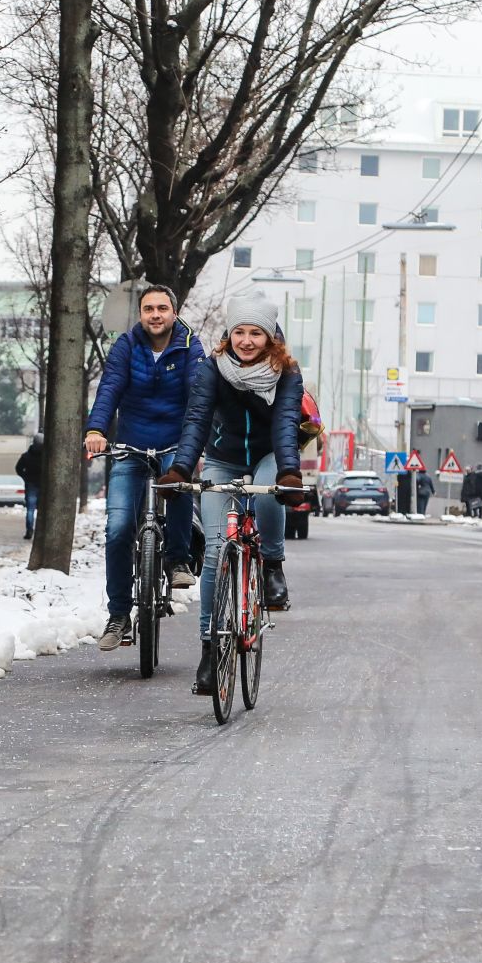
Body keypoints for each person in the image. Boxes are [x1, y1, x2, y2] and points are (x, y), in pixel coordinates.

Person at [160, 292, 306, 696]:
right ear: (229, 334)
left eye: (255, 333)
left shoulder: (286, 372)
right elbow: (196, 421)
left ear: (269, 337)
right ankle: (209, 649)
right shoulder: (213, 370)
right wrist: (180, 470)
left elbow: (287, 424)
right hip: (222, 459)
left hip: (269, 454)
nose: (245, 340)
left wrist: (289, 473)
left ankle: (273, 566)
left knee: (266, 494)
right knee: (213, 552)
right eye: (239, 331)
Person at [84, 284, 203, 652]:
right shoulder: (127, 345)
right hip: (130, 446)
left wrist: (197, 442)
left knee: (178, 482)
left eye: (162, 308)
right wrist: (96, 429)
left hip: (175, 441)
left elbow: (198, 392)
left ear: (174, 311)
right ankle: (119, 615)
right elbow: (111, 387)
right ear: (140, 314)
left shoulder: (189, 345)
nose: (155, 314)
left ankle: (178, 559)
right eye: (149, 308)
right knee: (118, 528)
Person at [15, 435, 44, 539]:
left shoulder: (26, 456)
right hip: (43, 485)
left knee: (30, 509)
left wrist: (25, 477)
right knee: (42, 509)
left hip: (30, 484)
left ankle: (29, 530)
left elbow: (18, 468)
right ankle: (41, 531)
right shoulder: (46, 456)